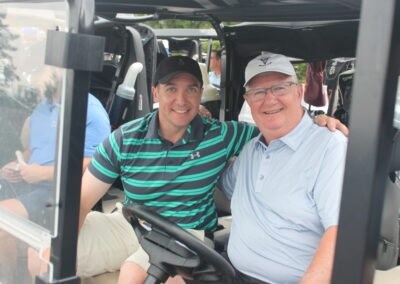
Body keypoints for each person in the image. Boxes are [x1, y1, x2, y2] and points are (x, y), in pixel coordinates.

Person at [73, 56, 347, 284]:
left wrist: (318, 123)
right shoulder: (126, 138)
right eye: (171, 89)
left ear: (299, 91)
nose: (181, 100)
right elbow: (83, 200)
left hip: (186, 233)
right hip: (133, 224)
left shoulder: (229, 136)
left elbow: (283, 125)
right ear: (156, 92)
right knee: (50, 251)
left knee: (133, 276)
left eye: (191, 89)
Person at [219, 52, 348, 284]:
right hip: (233, 274)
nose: (269, 100)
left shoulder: (331, 146)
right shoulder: (251, 150)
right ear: (248, 101)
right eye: (258, 92)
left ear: (299, 91)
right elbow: (223, 186)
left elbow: (340, 231)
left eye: (280, 88)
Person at [0, 90, 110, 284]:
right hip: (28, 184)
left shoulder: (89, 110)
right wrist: (17, 165)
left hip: (57, 191)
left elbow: (98, 162)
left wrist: (43, 173)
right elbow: (32, 150)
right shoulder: (41, 107)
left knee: (2, 219)